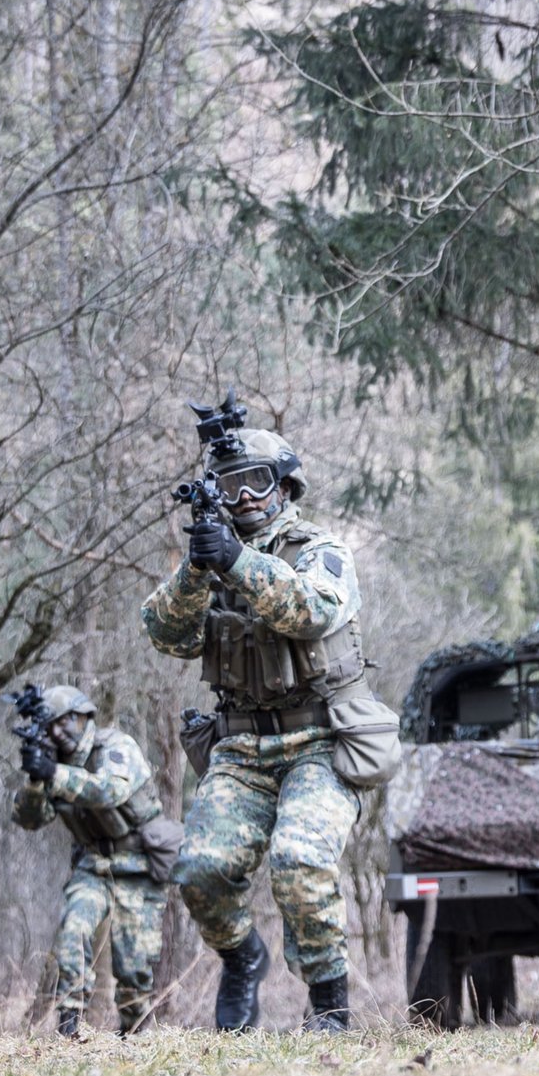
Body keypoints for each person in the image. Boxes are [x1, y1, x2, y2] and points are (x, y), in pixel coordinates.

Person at [142, 423, 371, 1032]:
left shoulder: (319, 549)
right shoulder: (209, 558)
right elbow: (167, 635)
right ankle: (243, 958)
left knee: (299, 860)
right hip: (240, 746)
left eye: (256, 482)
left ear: (284, 486)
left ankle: (328, 1008)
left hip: (319, 740)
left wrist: (238, 561)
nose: (244, 498)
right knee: (199, 871)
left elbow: (313, 610)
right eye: (230, 484)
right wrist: (198, 569)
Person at [10, 685, 169, 1038]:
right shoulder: (55, 764)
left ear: (83, 716)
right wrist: (36, 780)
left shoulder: (115, 745)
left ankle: (137, 1037)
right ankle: (69, 1029)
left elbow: (111, 791)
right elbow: (29, 820)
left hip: (139, 866)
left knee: (133, 966)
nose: (56, 732)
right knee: (74, 932)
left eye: (63, 722)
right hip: (92, 866)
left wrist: (54, 774)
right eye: (50, 726)